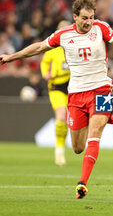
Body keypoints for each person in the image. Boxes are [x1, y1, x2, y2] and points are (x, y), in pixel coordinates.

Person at [0, 0, 113, 199]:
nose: (89, 22)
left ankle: (82, 183)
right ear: (75, 16)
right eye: (85, 18)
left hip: (102, 88)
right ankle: (84, 134)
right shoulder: (63, 35)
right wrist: (11, 57)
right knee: (77, 147)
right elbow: (39, 47)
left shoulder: (101, 28)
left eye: (91, 17)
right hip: (76, 94)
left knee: (95, 132)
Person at [40, 20, 71, 166]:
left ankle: (63, 146)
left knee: (70, 120)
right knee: (61, 116)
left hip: (72, 86)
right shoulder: (52, 49)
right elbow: (44, 63)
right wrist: (46, 74)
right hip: (57, 86)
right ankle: (59, 150)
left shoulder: (74, 48)